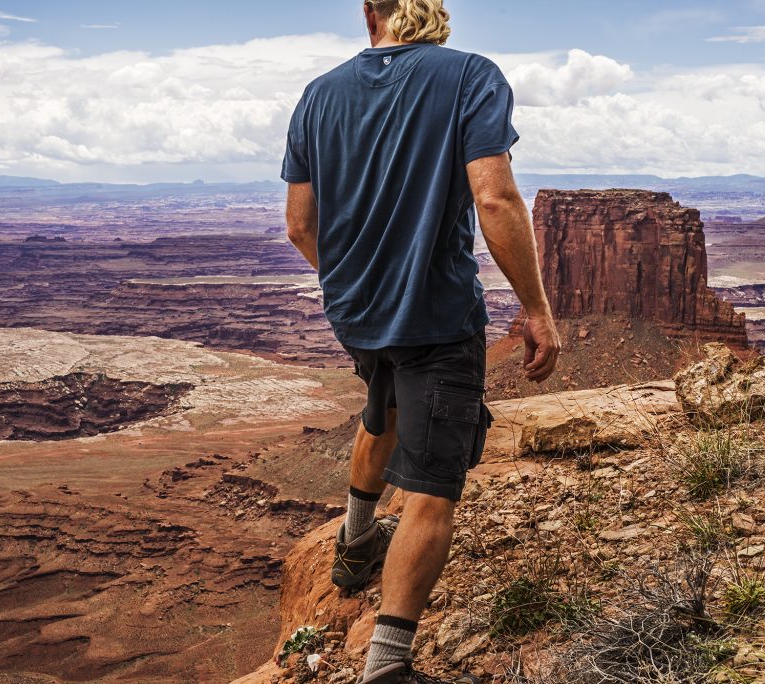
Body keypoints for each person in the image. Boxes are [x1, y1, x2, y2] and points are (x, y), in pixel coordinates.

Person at [283, 1, 560, 681]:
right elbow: (493, 199)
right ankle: (387, 665)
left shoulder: (318, 96)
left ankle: (354, 542)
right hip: (436, 317)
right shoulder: (470, 76)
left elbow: (298, 226)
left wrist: (355, 281)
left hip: (357, 313)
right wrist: (537, 310)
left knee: (385, 400)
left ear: (370, 13)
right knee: (434, 489)